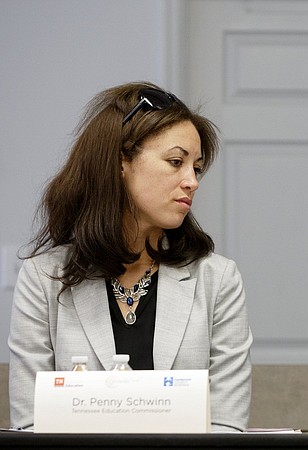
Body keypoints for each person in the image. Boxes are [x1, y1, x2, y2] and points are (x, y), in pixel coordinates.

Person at [8, 81, 253, 432]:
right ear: (121, 160)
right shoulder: (43, 277)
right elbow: (31, 425)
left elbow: (227, 426)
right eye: (175, 161)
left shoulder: (218, 279)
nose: (192, 181)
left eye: (196, 168)